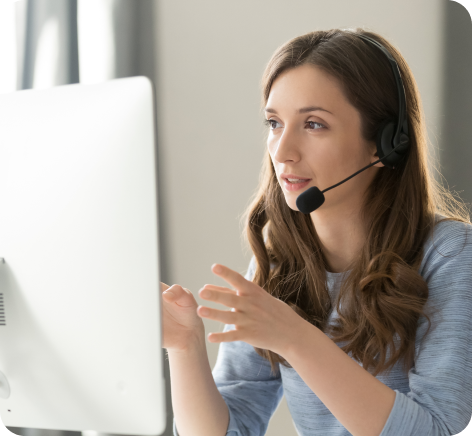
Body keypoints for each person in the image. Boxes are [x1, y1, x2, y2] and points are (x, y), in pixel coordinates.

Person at [161, 28, 472, 436]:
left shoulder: (451, 256)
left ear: (385, 144)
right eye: (274, 122)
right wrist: (185, 347)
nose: (282, 151)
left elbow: (440, 429)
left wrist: (296, 339)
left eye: (313, 124)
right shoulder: (277, 264)